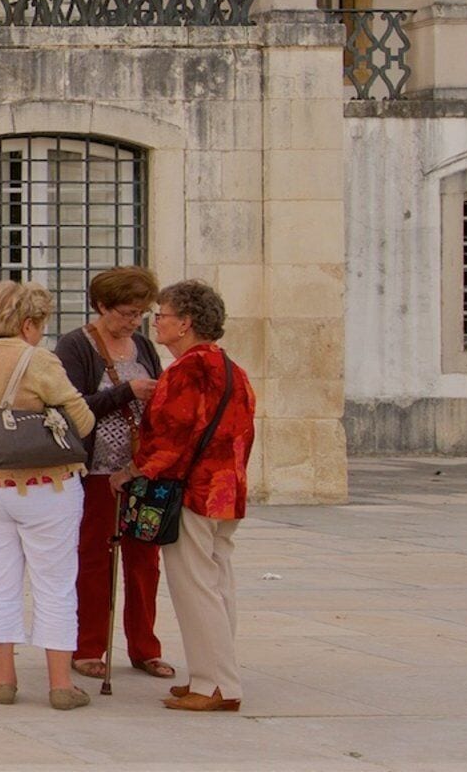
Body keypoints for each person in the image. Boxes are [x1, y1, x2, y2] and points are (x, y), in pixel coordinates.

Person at [0, 279, 96, 711]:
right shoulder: (36, 360)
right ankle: (61, 684)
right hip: (46, 485)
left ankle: (3, 679)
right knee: (55, 583)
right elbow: (82, 421)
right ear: (28, 323)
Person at [134, 278, 259, 714]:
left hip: (191, 491)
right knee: (218, 584)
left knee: (195, 588)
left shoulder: (186, 371)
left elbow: (169, 438)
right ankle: (212, 676)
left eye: (162, 315)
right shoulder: (232, 369)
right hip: (226, 490)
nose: (157, 323)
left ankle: (218, 685)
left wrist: (135, 472)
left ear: (185, 323)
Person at [55, 265, 169, 690]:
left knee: (145, 562)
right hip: (95, 472)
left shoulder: (141, 345)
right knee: (94, 559)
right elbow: (70, 408)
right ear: (102, 306)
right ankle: (88, 648)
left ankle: (145, 647)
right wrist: (126, 392)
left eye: (140, 313)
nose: (134, 321)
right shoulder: (76, 346)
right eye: (125, 312)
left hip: (139, 469)